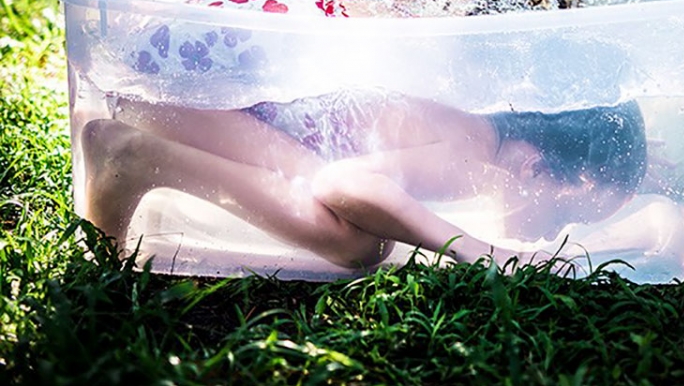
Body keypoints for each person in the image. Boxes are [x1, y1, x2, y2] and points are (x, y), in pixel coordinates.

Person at [81, 86, 647, 271]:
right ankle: (133, 159)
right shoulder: (473, 155)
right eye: (567, 212)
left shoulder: (479, 129)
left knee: (363, 224)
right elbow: (342, 184)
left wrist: (624, 156)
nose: (559, 226)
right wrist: (474, 248)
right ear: (533, 165)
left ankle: (139, 155)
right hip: (175, 105)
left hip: (181, 96)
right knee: (360, 243)